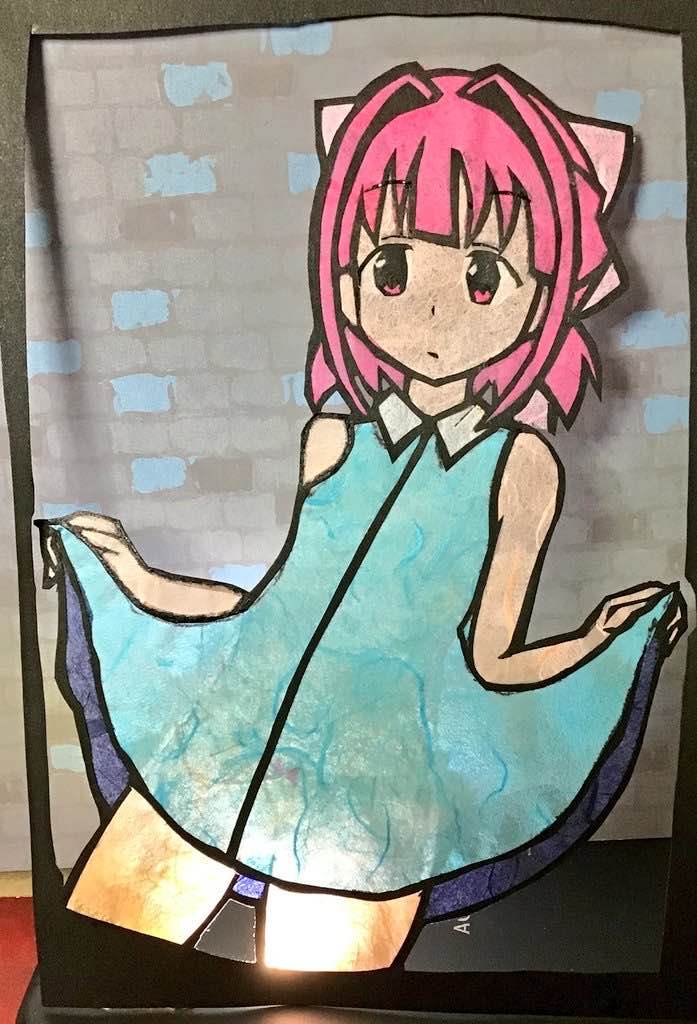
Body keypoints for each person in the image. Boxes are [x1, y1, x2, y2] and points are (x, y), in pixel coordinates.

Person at [41, 63, 686, 971]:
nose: (432, 305)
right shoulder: (331, 440)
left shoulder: (518, 465)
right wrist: (133, 577)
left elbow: (493, 658)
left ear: (541, 296)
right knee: (115, 939)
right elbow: (262, 604)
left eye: (482, 274)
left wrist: (599, 644)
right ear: (345, 282)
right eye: (392, 266)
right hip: (232, 732)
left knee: (318, 982)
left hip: (376, 785)